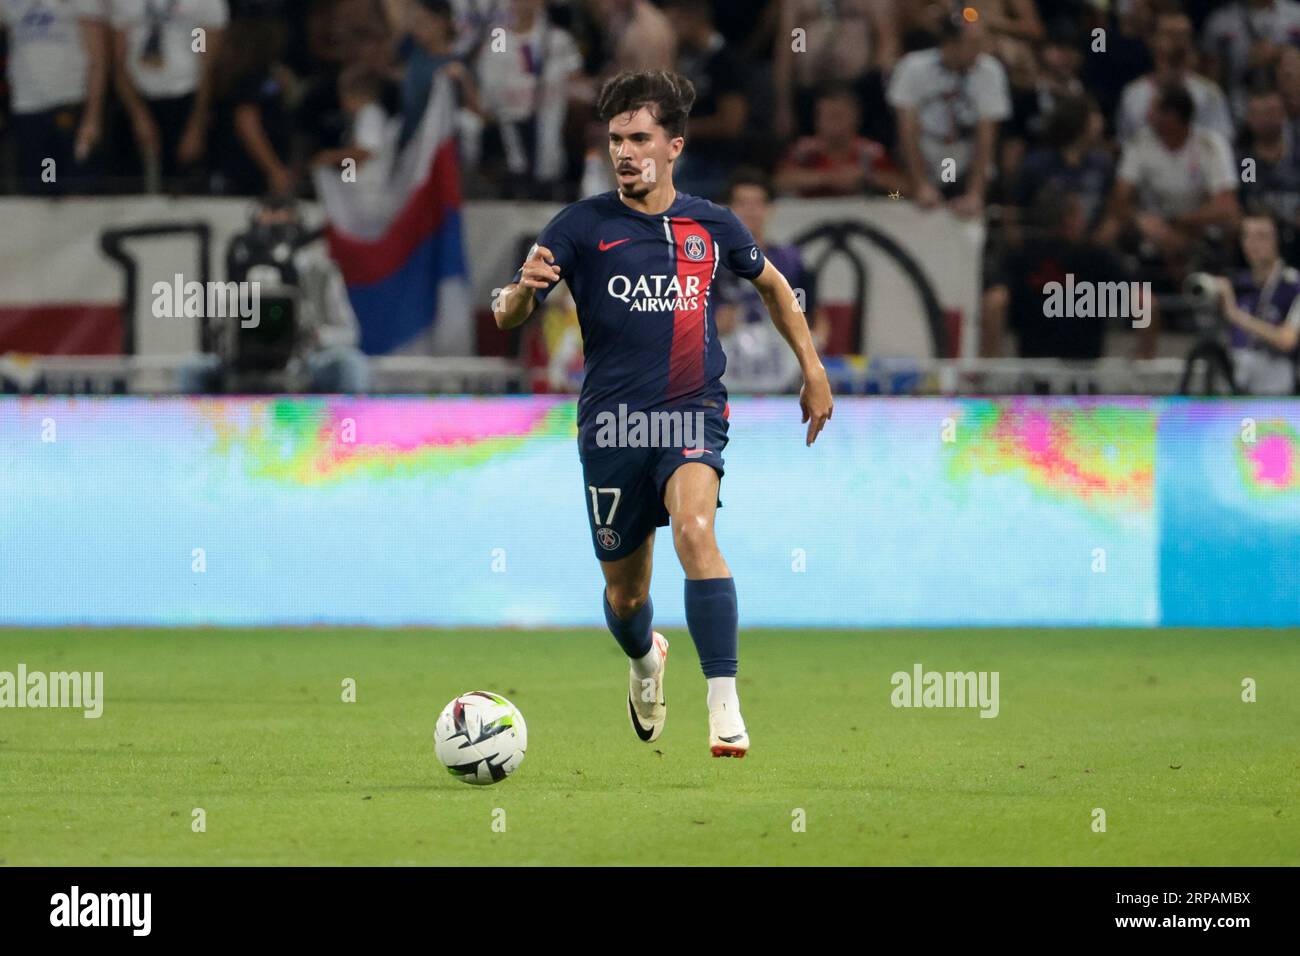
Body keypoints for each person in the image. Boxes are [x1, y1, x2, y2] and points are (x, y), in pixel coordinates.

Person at [491, 70, 833, 758]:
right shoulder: (580, 226)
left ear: (673, 145)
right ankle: (647, 659)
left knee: (695, 530)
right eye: (616, 138)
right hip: (612, 429)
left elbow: (774, 287)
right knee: (624, 598)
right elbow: (506, 311)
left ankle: (725, 707)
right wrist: (520, 297)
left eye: (639, 137)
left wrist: (815, 368)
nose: (625, 151)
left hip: (691, 413)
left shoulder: (712, 223)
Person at [178, 196, 369, 394]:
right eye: (267, 227)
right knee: (193, 368)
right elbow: (217, 335)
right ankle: (198, 425)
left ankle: (351, 423)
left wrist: (315, 336)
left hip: (302, 362)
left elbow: (349, 333)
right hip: (242, 364)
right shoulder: (237, 268)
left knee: (350, 364)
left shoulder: (320, 272)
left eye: (282, 226)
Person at [886, 10, 1011, 219]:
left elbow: (986, 136)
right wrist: (920, 185)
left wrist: (975, 194)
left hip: (961, 166)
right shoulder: (912, 67)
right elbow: (907, 132)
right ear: (950, 44)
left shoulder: (989, 70)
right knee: (892, 195)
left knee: (992, 200)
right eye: (973, 44)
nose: (980, 50)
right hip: (919, 164)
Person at [716, 168, 829, 391]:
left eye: (757, 203)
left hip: (781, 368)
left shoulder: (792, 262)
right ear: (727, 209)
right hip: (726, 371)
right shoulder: (708, 263)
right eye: (742, 203)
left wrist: (812, 356)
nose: (750, 211)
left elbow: (815, 318)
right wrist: (711, 324)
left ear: (770, 209)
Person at [0, 0, 108, 193]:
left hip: (70, 106)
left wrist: (92, 118)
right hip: (27, 109)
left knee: (77, 191)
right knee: (40, 188)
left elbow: (98, 60)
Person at [1216, 212, 1300, 394]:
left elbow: (1287, 339)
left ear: (1280, 240)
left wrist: (1236, 316)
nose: (1253, 243)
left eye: (1262, 236)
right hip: (1236, 386)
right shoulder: (1236, 284)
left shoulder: (1293, 286)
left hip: (1278, 392)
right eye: (1247, 236)